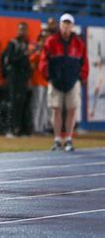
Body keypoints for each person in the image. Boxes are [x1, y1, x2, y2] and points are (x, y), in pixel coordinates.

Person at [40, 13, 89, 151]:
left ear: (72, 26)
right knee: (56, 110)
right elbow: (44, 60)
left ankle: (68, 138)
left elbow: (84, 62)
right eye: (64, 23)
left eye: (69, 23)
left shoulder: (79, 43)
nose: (66, 26)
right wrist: (48, 77)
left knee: (72, 110)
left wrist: (81, 78)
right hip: (55, 81)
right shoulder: (51, 41)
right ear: (60, 25)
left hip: (73, 82)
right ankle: (57, 139)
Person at [4, 22, 32, 137]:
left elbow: (26, 63)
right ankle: (11, 129)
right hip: (14, 78)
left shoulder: (25, 44)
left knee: (22, 104)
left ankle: (20, 129)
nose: (22, 32)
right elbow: (10, 60)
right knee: (13, 103)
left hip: (22, 79)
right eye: (20, 30)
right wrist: (24, 55)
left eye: (24, 30)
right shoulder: (13, 43)